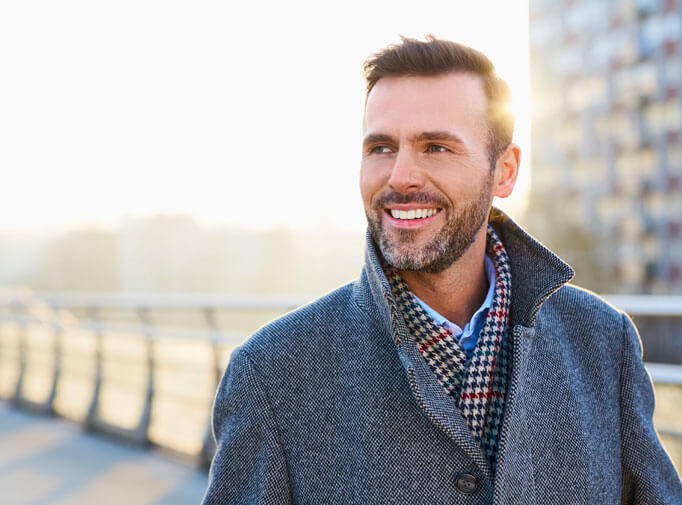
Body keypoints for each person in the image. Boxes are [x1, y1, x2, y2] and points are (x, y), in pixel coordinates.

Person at [202, 35, 681, 504]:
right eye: (382, 148)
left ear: (505, 171)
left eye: (436, 147)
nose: (400, 176)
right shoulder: (270, 375)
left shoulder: (603, 342)